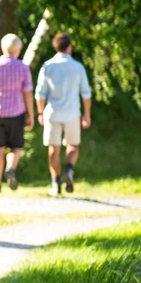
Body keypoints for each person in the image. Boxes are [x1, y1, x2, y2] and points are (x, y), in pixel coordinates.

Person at [34, 32, 91, 197]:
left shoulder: (48, 66)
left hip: (53, 112)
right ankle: (69, 169)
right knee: (73, 146)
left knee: (53, 148)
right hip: (72, 112)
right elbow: (86, 93)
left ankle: (55, 182)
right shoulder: (78, 67)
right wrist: (86, 114)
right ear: (69, 47)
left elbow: (40, 93)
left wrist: (39, 112)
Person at [0, 34, 35, 192]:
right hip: (16, 113)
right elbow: (28, 92)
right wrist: (32, 114)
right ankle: (10, 168)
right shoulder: (22, 67)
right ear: (18, 49)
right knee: (15, 148)